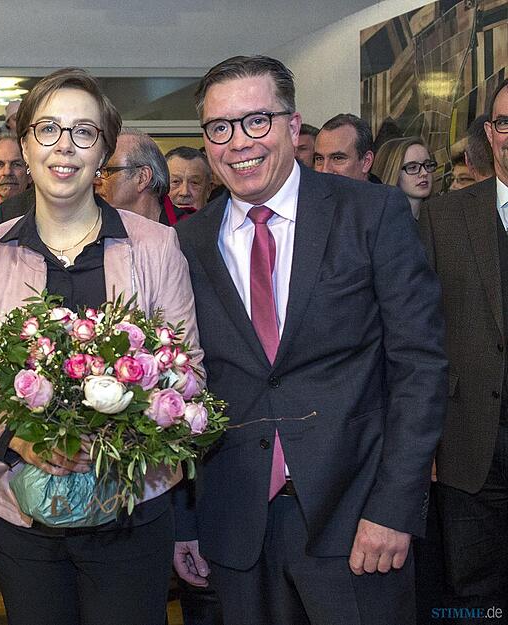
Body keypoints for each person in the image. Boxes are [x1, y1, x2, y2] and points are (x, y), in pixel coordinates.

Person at [173, 55, 447, 625]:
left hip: (357, 524)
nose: (238, 142)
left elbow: (420, 368)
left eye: (256, 121)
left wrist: (394, 508)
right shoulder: (188, 242)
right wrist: (187, 522)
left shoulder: (371, 213)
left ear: (294, 127)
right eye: (220, 128)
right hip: (237, 527)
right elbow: (181, 387)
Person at [0, 67, 202, 625]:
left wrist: (125, 431)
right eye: (48, 129)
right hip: (21, 515)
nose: (65, 147)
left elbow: (188, 369)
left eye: (84, 132)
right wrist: (18, 440)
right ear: (25, 142)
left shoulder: (156, 246)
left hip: (133, 509)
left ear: (104, 149)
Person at [418, 76, 508, 615]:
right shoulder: (445, 217)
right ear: (490, 133)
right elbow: (420, 338)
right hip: (471, 447)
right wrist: (426, 439)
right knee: (475, 599)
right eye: (504, 124)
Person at [372, 137, 436, 219]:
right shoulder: (378, 224)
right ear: (392, 173)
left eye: (428, 165)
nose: (424, 173)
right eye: (413, 167)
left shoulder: (441, 218)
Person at [313, 113, 375, 181]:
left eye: (337, 158)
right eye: (319, 159)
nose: (324, 170)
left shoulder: (384, 191)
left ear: (366, 162)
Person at [166, 146, 213, 215]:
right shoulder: (148, 225)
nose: (184, 192)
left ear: (208, 190)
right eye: (175, 182)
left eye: (194, 183)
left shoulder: (222, 224)